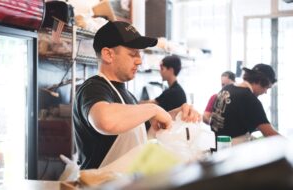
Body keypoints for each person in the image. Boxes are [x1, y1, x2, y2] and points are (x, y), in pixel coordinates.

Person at [72, 21, 200, 169]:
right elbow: (105, 120)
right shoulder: (93, 89)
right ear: (108, 54)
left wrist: (178, 114)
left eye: (139, 54)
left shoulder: (127, 95)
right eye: (133, 54)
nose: (139, 61)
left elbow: (147, 128)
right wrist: (153, 109)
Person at [210, 64, 280, 144]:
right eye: (267, 87)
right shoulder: (249, 99)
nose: (265, 92)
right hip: (233, 149)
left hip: (215, 144)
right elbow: (270, 134)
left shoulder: (227, 88)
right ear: (261, 81)